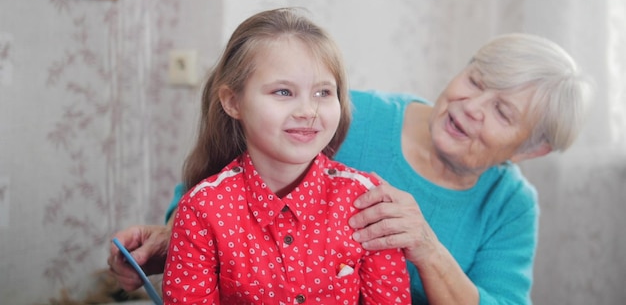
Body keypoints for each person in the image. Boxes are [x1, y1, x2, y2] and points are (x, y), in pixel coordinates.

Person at [109, 32, 592, 305]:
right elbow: (220, 192)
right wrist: (164, 239)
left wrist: (427, 248)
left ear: (531, 150)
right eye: (476, 80)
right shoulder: (340, 115)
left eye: (503, 113)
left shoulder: (511, 206)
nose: (472, 106)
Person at [157, 8, 411, 304]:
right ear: (233, 102)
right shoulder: (201, 210)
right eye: (283, 92)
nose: (307, 111)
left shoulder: (368, 203)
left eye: (322, 93)